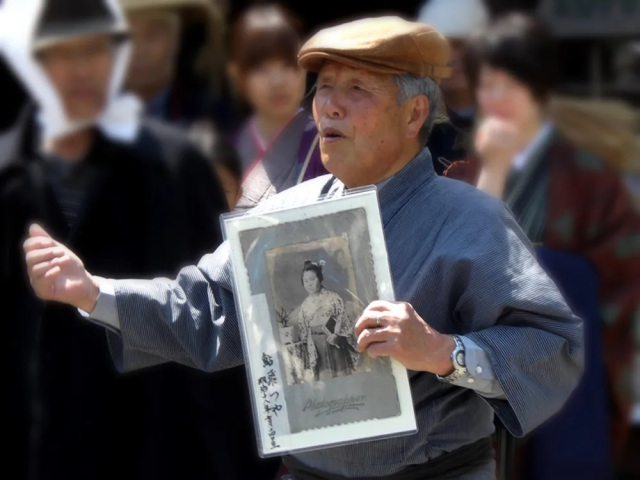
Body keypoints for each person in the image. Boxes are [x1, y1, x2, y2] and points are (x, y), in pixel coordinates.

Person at [23, 16, 584, 480]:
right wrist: (94, 291)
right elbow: (208, 310)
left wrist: (442, 351)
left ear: (414, 114)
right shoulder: (286, 211)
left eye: (357, 90)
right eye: (324, 89)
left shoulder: (471, 220)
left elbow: (551, 346)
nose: (328, 108)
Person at [0, 1, 270, 479]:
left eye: (95, 50)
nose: (82, 68)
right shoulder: (8, 174)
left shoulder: (175, 166)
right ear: (37, 65)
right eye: (63, 53)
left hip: (154, 445)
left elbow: (218, 313)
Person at [444, 13, 640, 465]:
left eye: (513, 84)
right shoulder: (462, 176)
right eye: (488, 85)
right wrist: (492, 172)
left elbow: (625, 281)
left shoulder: (590, 178)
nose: (499, 98)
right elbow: (454, 273)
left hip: (574, 381)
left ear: (541, 87)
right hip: (484, 382)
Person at [227, 4, 327, 209]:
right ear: (238, 75)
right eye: (261, 69)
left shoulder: (327, 144)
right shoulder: (229, 149)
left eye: (288, 66)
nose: (277, 82)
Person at [121, 0, 230, 129]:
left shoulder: (211, 113)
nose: (139, 51)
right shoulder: (95, 114)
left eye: (153, 35)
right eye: (127, 36)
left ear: (176, 38)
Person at [416, 0, 490, 174]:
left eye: (460, 45)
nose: (450, 58)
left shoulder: (507, 116)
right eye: (440, 47)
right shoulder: (416, 124)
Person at [298, 260, 356, 381]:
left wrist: (337, 335)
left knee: (341, 376)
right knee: (323, 379)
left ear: (320, 278)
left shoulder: (333, 298)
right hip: (316, 346)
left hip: (334, 342)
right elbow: (304, 330)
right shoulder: (304, 306)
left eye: (312, 279)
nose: (309, 284)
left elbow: (343, 319)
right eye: (306, 281)